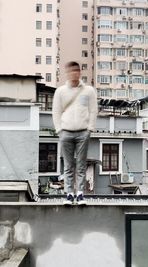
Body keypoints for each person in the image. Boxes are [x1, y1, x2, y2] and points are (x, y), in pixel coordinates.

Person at [52, 61, 97, 204]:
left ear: (79, 72)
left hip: (83, 132)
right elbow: (56, 111)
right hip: (66, 132)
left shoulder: (89, 90)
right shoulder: (60, 91)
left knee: (81, 165)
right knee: (68, 165)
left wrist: (90, 128)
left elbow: (93, 110)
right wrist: (59, 130)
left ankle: (80, 194)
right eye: (71, 71)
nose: (74, 73)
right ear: (67, 73)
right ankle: (69, 194)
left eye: (76, 71)